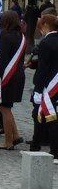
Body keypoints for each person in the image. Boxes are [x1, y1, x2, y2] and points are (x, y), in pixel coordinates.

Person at [0, 10, 26, 149]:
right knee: (7, 106)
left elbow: (2, 59)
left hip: (8, 75)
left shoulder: (6, 36)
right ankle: (15, 136)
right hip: (18, 74)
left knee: (4, 108)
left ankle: (8, 142)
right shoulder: (21, 36)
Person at [31, 13, 58, 157]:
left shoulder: (46, 43)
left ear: (46, 25)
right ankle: (37, 144)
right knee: (46, 115)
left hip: (48, 86)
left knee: (46, 115)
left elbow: (43, 68)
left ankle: (43, 147)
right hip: (56, 83)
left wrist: (38, 89)